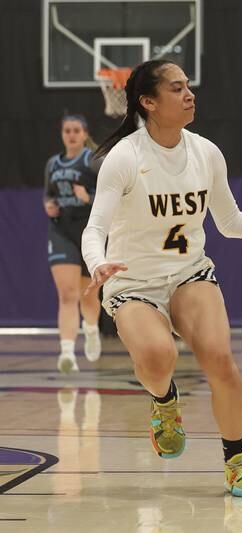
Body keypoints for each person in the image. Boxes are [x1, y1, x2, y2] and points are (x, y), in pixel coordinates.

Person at [82, 59, 242, 497]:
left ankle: (237, 462)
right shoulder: (124, 158)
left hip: (189, 273)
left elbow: (230, 222)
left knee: (220, 359)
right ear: (149, 102)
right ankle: (163, 402)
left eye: (189, 86)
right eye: (177, 89)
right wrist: (97, 262)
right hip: (132, 282)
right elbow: (95, 227)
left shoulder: (206, 152)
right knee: (158, 358)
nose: (189, 94)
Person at [44, 114, 103, 373]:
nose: (71, 134)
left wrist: (88, 197)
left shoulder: (94, 160)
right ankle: (66, 352)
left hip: (89, 233)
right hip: (62, 231)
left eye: (76, 130)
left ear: (84, 133)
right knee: (67, 295)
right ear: (62, 133)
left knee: (88, 297)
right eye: (67, 130)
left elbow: (111, 196)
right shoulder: (52, 164)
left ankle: (91, 330)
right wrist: (48, 206)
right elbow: (49, 194)